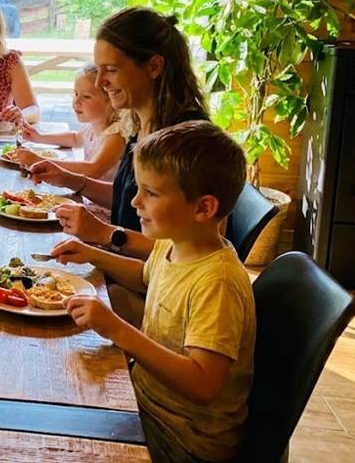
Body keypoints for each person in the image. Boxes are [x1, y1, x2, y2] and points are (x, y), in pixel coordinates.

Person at [51, 121, 255, 463]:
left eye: (151, 193)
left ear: (203, 208)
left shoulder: (217, 282)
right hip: (147, 400)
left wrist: (116, 328)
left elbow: (203, 384)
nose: (134, 201)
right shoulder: (175, 244)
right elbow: (148, 277)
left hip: (182, 439)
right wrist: (92, 254)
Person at [29, 7, 208, 260]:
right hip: (123, 264)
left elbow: (193, 252)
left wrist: (105, 234)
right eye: (99, 69)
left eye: (111, 70)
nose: (100, 80)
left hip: (151, 287)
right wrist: (72, 180)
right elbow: (127, 199)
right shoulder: (140, 122)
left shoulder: (188, 140)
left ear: (154, 67)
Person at [11, 63, 126, 184]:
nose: (76, 101)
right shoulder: (91, 127)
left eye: (86, 97)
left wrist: (40, 160)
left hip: (103, 200)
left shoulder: (116, 134)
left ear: (111, 101)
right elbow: (75, 139)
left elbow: (94, 169)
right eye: (76, 94)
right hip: (87, 194)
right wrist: (39, 137)